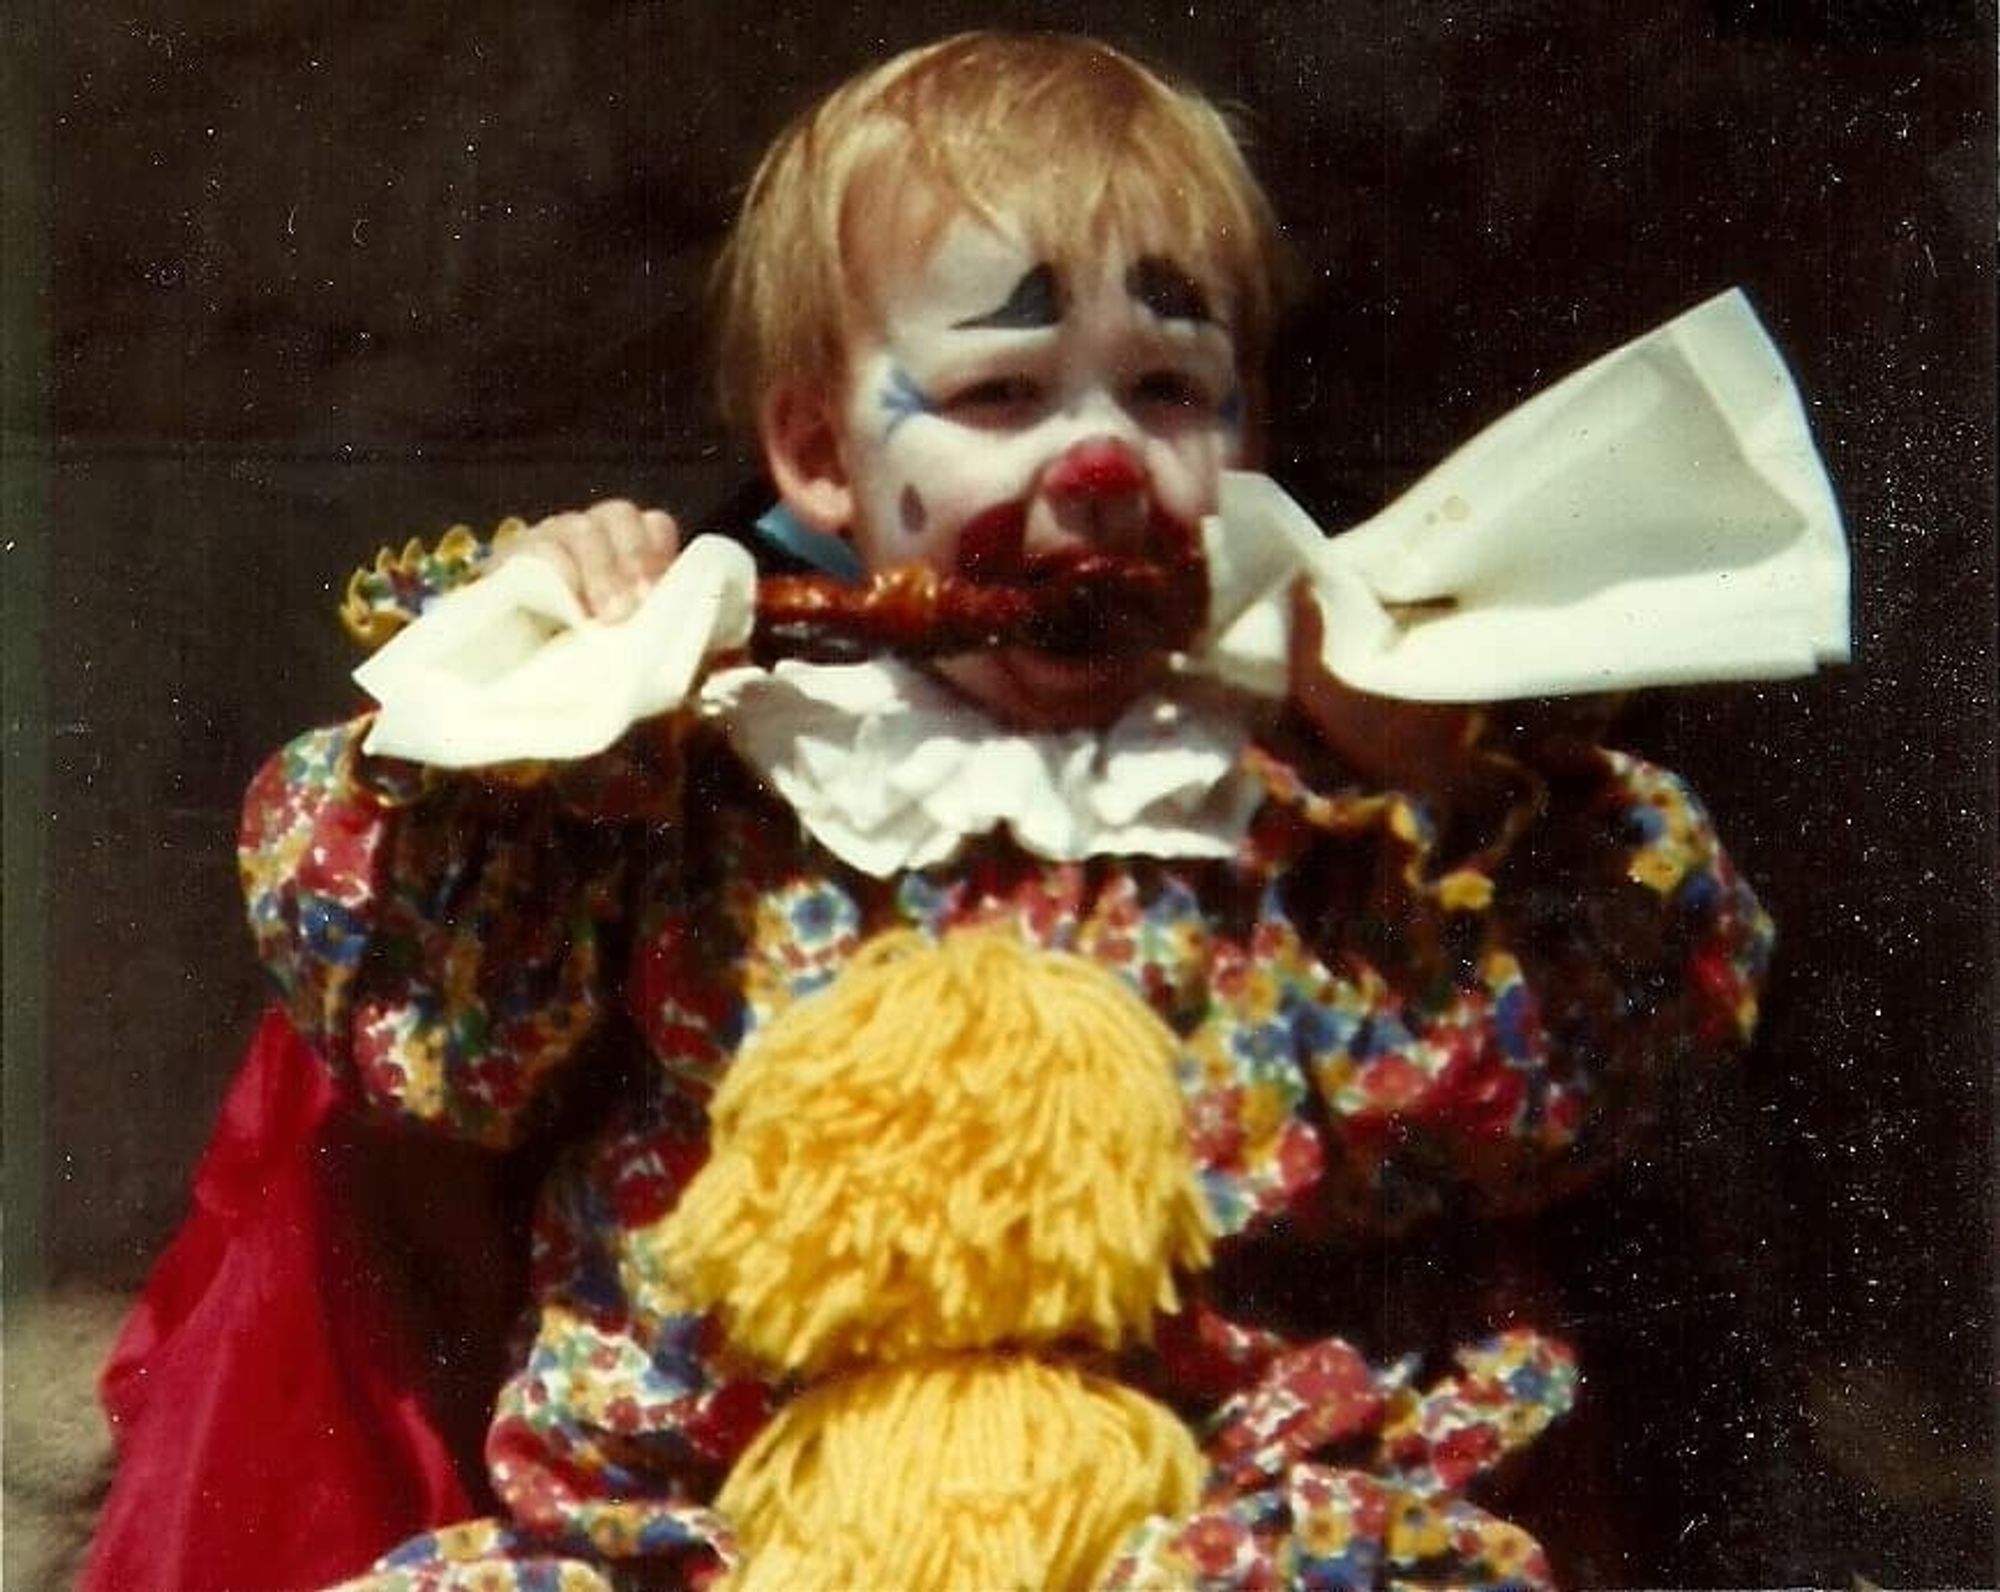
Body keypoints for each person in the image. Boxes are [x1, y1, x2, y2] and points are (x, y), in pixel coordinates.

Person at [92, 31, 1837, 1592]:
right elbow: (448, 1047)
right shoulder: (695, 773)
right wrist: (534, 700)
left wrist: (1443, 791)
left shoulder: (1289, 804)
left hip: (1216, 1528)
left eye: (1164, 390)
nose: (1096, 465)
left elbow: (1584, 1077)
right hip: (716, 1538)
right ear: (820, 458)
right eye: (1003, 396)